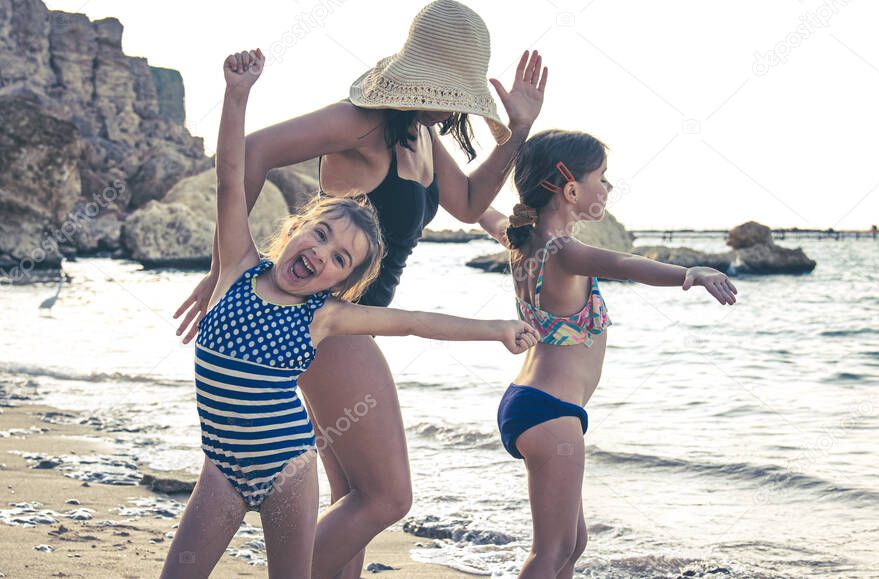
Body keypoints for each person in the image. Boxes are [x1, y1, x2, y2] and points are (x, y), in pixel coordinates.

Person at [172, 2, 548, 576]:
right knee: (387, 497)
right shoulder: (363, 120)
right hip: (327, 323)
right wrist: (226, 270)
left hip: (345, 324)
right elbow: (253, 152)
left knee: (353, 493)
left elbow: (469, 204)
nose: (451, 102)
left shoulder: (420, 133)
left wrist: (517, 133)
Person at [477, 129, 738, 578]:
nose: (609, 187)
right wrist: (688, 272)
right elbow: (627, 265)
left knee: (571, 544)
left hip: (532, 403)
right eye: (602, 176)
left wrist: (434, 175)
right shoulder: (564, 250)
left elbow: (480, 211)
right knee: (553, 549)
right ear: (571, 189)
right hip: (550, 413)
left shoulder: (520, 240)